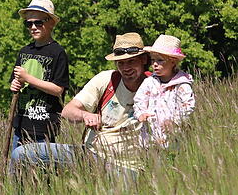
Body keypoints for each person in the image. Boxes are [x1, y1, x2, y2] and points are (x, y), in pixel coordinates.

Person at [12, 32, 151, 179]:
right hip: (90, 155)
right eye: (121, 62)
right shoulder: (107, 79)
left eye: (131, 61)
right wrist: (86, 115)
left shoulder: (154, 86)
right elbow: (68, 111)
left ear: (143, 60)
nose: (126, 67)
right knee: (21, 154)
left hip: (128, 166)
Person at [8, 0, 70, 165]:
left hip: (44, 129)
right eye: (29, 24)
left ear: (50, 23)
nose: (33, 27)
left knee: (43, 173)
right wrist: (14, 85)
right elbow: (14, 82)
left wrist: (28, 79)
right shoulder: (24, 52)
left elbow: (58, 89)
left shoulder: (58, 52)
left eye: (38, 22)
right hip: (21, 126)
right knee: (17, 172)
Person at [134, 34, 195, 147]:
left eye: (160, 60)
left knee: (172, 160)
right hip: (150, 136)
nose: (155, 64)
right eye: (153, 60)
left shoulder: (182, 84)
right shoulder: (149, 82)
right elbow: (139, 100)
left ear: (173, 62)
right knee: (151, 161)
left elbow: (188, 106)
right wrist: (141, 113)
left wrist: (176, 121)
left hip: (173, 137)